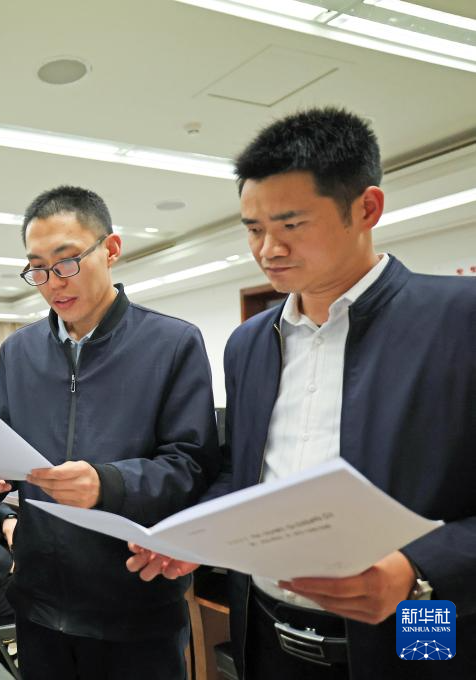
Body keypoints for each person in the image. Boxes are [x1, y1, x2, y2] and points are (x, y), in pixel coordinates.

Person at [126, 108, 476, 680]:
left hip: (421, 617)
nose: (268, 249)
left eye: (291, 225)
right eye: (253, 229)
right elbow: (244, 473)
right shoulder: (248, 344)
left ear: (366, 209)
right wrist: (199, 535)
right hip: (269, 631)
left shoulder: (460, 320)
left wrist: (416, 571)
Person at [0, 186, 220, 679]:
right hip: (38, 607)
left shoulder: (172, 343)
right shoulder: (18, 352)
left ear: (111, 249)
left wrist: (107, 484)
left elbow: (191, 467)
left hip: (135, 608)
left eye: (67, 262)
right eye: (38, 268)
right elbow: (4, 460)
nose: (53, 283)